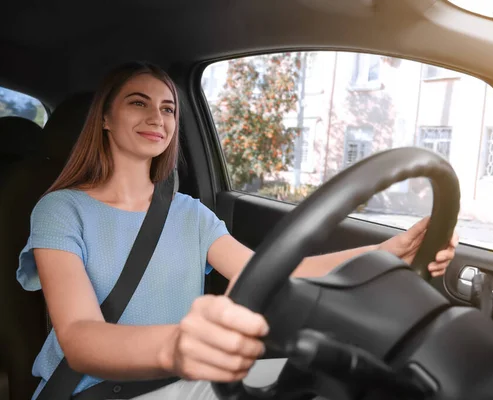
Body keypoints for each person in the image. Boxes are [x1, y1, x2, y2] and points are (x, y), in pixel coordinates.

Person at [16, 61, 459, 400]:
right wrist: (176, 346)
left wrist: (386, 253)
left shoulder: (190, 214)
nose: (158, 117)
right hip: (99, 391)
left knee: (342, 380)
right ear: (106, 119)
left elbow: (276, 271)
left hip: (187, 376)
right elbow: (78, 336)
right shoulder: (61, 210)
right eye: (138, 102)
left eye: (168, 108)